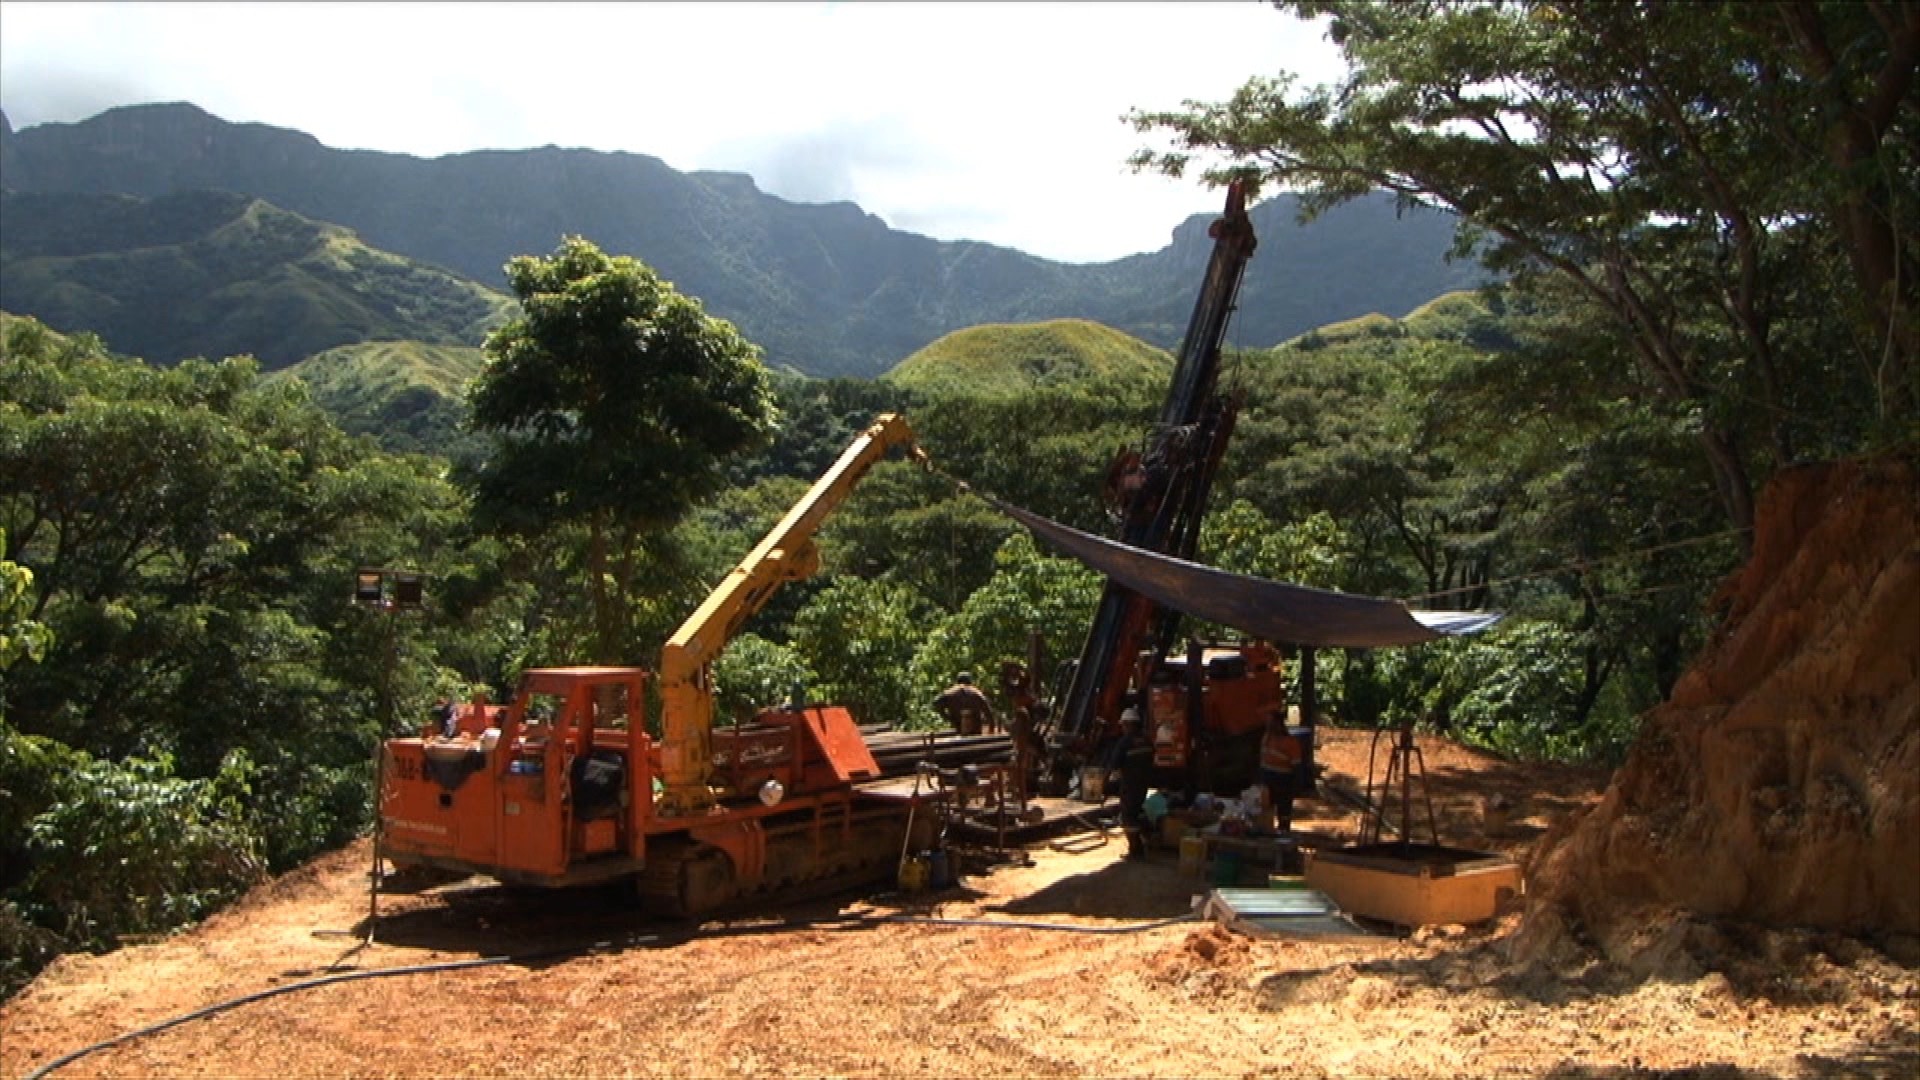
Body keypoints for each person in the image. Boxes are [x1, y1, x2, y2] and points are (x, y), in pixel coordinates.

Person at [1110, 705, 1155, 859]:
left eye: (1123, 725)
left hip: (1130, 784)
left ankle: (1136, 850)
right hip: (1144, 783)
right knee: (1138, 811)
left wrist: (1109, 781)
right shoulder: (1147, 740)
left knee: (1128, 816)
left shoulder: (1125, 742)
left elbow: (1115, 763)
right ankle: (1149, 837)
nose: (1122, 728)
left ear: (1128, 724)